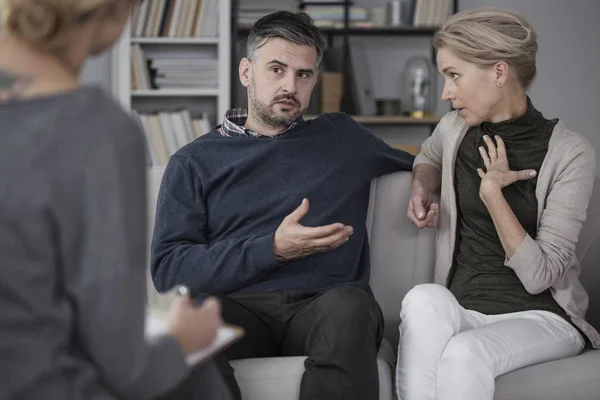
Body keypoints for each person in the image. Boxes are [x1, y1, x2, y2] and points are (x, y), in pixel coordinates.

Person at [150, 10, 415, 400]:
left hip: (325, 306)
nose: (290, 85)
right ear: (246, 72)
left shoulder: (342, 136)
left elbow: (430, 160)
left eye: (304, 74)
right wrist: (271, 249)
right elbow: (169, 271)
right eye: (276, 69)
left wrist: (425, 174)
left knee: (351, 308)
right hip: (235, 308)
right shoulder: (194, 162)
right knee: (178, 326)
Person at [0, 1, 232, 399]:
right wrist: (183, 340)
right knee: (199, 378)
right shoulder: (97, 132)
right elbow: (124, 366)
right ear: (115, 10)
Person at [397, 7, 599, 400]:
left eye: (454, 75)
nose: (445, 93)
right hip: (466, 310)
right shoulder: (455, 128)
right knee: (423, 298)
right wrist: (423, 186)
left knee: (464, 352)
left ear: (499, 72)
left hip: (542, 317)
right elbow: (429, 156)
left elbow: (541, 277)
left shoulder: (570, 154)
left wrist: (493, 195)